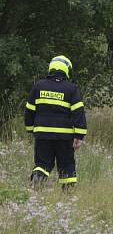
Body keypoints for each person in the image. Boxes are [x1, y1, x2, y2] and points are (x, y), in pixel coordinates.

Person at [25, 55, 87, 190]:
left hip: (42, 134)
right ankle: (68, 194)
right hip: (64, 137)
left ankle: (38, 177)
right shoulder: (71, 89)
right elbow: (78, 113)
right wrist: (79, 136)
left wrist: (31, 129)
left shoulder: (38, 86)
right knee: (66, 165)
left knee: (42, 163)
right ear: (67, 70)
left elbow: (29, 110)